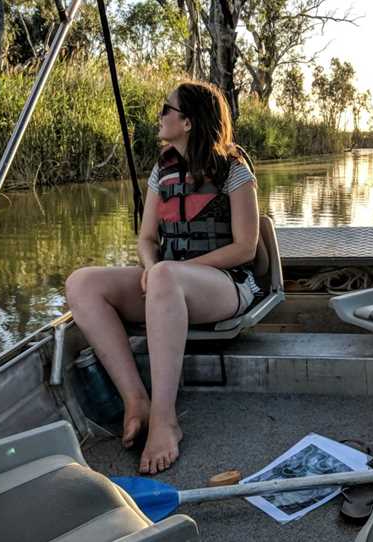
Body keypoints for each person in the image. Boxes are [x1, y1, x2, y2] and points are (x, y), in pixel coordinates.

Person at [65, 81, 260, 474]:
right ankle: (135, 397)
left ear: (187, 121)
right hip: (165, 283)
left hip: (226, 285)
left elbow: (246, 248)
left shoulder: (235, 171)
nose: (159, 116)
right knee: (81, 282)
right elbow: (146, 239)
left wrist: (168, 272)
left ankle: (165, 418)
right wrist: (153, 267)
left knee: (167, 276)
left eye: (164, 109)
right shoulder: (163, 171)